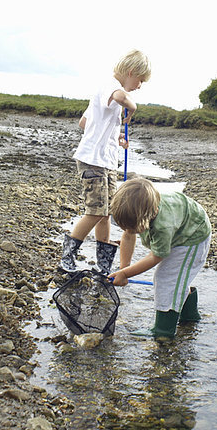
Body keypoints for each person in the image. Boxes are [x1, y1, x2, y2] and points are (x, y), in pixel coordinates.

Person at [58, 50, 151, 275]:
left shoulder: (107, 93)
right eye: (140, 81)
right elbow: (120, 98)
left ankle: (103, 263)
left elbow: (84, 122)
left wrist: (114, 136)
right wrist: (133, 106)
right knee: (96, 211)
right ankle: (66, 257)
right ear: (131, 72)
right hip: (93, 161)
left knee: (106, 211)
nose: (139, 86)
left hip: (104, 161)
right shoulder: (110, 87)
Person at [108, 177, 212, 338]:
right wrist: (124, 268)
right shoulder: (142, 209)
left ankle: (164, 330)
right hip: (182, 227)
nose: (129, 230)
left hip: (192, 236)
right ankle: (189, 318)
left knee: (167, 279)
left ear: (149, 216)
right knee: (178, 278)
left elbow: (156, 256)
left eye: (134, 227)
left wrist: (126, 275)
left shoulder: (163, 226)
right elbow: (128, 236)